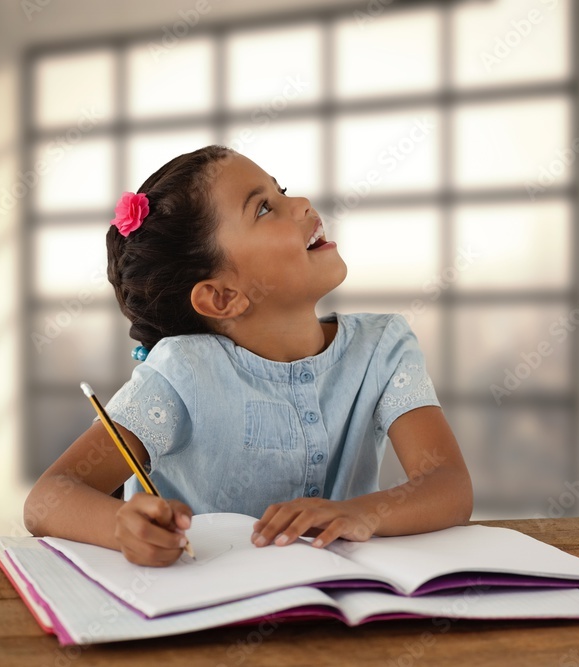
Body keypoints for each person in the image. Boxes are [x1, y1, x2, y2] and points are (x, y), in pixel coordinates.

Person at [24, 145, 473, 566]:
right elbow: (49, 498)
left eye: (279, 189)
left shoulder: (383, 347)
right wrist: (121, 528)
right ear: (221, 297)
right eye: (264, 208)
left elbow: (448, 485)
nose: (300, 203)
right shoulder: (183, 373)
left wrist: (361, 513)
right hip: (208, 610)